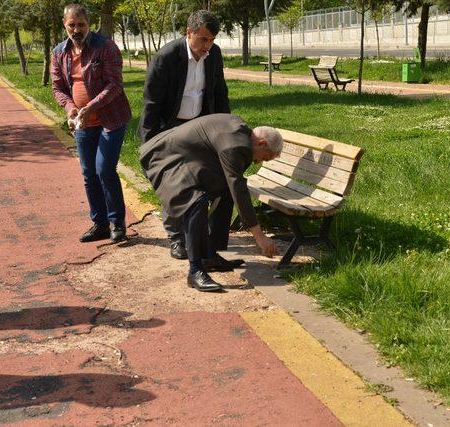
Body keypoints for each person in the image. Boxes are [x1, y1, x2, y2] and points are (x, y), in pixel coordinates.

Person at [140, 114, 280, 292]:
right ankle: (195, 270)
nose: (259, 162)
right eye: (265, 157)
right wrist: (259, 237)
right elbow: (238, 188)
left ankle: (209, 256)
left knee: (226, 194)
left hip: (188, 156)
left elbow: (233, 185)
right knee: (195, 202)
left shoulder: (242, 133)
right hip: (163, 157)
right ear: (261, 143)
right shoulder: (236, 145)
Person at [138, 10, 230, 261]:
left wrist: (226, 130)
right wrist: (149, 145)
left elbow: (220, 92)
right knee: (175, 185)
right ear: (188, 33)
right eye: (203, 39)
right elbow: (151, 104)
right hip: (169, 128)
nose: (207, 46)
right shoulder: (166, 57)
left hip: (201, 127)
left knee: (211, 181)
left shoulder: (214, 55)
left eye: (212, 40)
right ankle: (176, 239)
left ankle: (207, 240)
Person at [51, 3, 132, 243]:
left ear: (89, 25)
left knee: (104, 169)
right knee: (88, 174)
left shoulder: (106, 47)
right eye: (72, 25)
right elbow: (58, 87)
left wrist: (90, 107)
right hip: (82, 123)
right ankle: (100, 223)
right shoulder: (59, 52)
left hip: (110, 119)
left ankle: (117, 223)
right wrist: (70, 108)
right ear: (64, 25)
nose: (76, 29)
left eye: (81, 24)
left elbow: (114, 85)